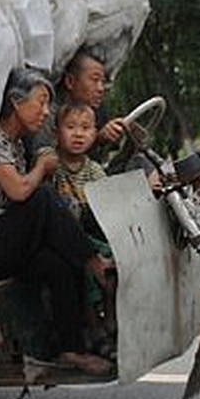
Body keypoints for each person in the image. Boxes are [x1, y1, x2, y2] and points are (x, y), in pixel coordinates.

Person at [0, 67, 115, 377]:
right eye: (40, 102)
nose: (45, 111)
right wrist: (40, 167)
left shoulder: (16, 143)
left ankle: (73, 349)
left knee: (60, 264)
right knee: (42, 197)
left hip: (4, 240)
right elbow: (20, 190)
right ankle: (97, 265)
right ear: (15, 102)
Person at [51, 99, 118, 358]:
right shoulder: (52, 166)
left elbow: (109, 204)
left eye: (86, 128)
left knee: (117, 258)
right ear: (57, 132)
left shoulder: (95, 171)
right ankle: (94, 328)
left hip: (92, 234)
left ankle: (112, 318)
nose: (78, 133)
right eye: (70, 127)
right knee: (83, 267)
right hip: (67, 239)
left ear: (95, 133)